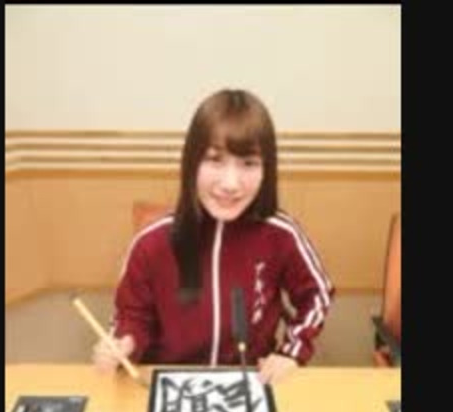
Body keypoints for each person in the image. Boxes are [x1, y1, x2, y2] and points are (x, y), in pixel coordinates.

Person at [93, 88, 335, 384]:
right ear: (191, 163)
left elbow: (317, 293)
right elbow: (131, 316)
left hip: (249, 383)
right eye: (215, 160)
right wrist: (122, 345)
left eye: (248, 163)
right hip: (170, 384)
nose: (230, 183)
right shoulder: (151, 243)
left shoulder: (281, 234)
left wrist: (292, 353)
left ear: (266, 169)